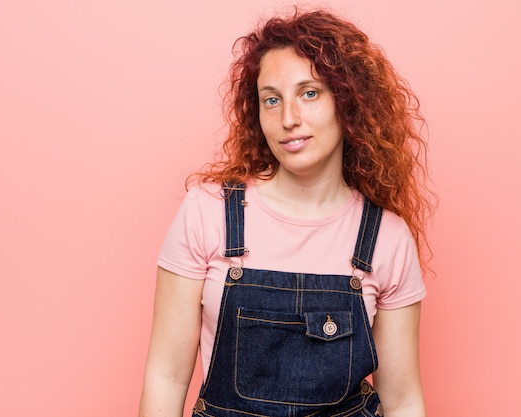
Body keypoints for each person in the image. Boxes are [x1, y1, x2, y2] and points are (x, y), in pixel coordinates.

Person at [139, 8, 434, 417]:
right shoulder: (207, 213)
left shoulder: (386, 236)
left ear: (347, 103)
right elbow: (166, 375)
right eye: (272, 100)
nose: (289, 119)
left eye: (309, 93)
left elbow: (402, 400)